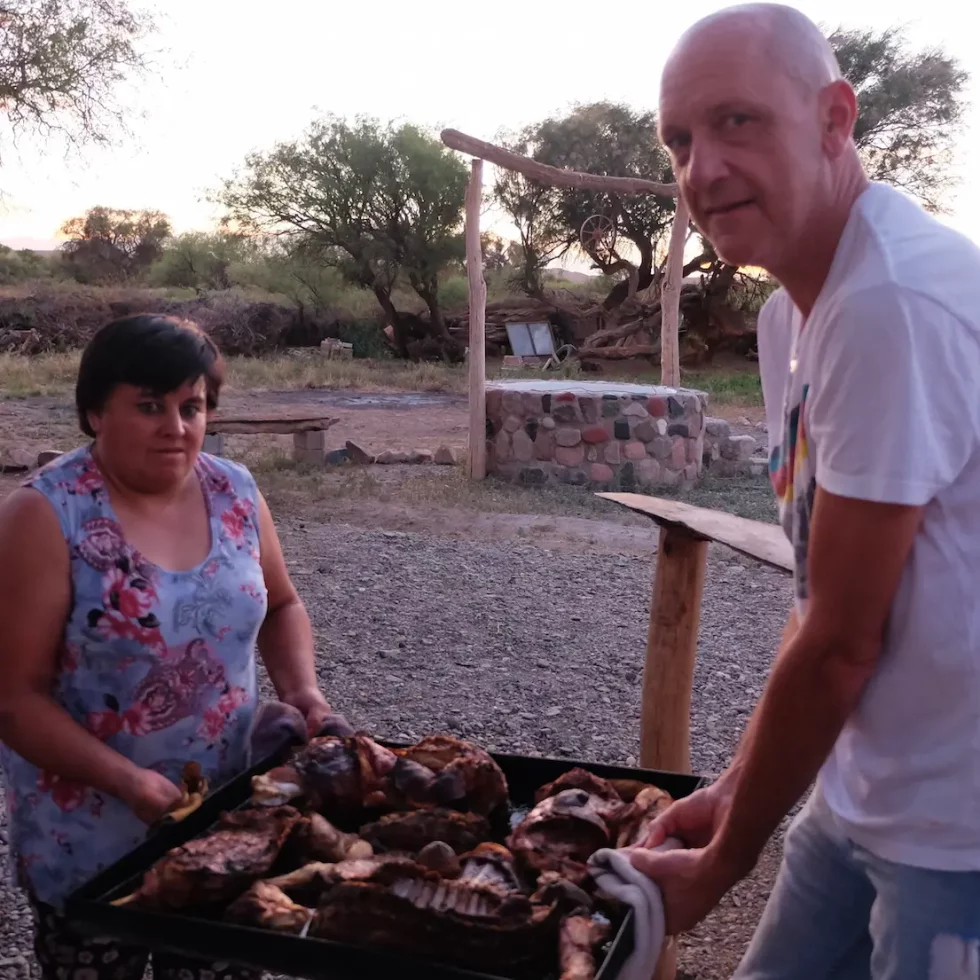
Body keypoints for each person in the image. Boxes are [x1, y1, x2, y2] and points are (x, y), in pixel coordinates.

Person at [629, 4, 980, 977]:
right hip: (861, 788)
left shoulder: (890, 303)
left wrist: (724, 860)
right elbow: (819, 598)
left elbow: (838, 644)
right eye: (679, 139)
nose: (700, 169)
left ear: (834, 120)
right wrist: (737, 785)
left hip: (956, 829)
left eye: (736, 121)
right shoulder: (790, 317)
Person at [0, 314, 349, 980]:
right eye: (150, 405)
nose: (177, 426)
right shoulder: (46, 515)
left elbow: (281, 604)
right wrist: (129, 783)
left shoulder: (235, 492)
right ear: (95, 411)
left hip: (229, 828)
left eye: (192, 406)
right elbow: (15, 699)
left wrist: (301, 690)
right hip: (94, 844)